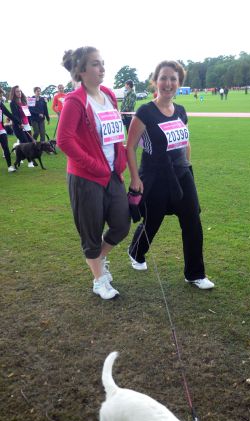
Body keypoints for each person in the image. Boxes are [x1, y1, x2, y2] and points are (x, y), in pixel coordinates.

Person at [126, 60, 214, 290]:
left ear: (179, 83)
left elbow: (186, 141)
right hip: (154, 176)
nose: (168, 83)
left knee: (192, 219)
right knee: (152, 221)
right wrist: (135, 179)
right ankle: (136, 252)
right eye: (163, 78)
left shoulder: (181, 111)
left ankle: (195, 273)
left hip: (181, 173)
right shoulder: (145, 112)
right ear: (155, 81)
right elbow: (130, 147)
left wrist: (188, 163)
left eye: (173, 79)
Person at [57, 46, 130, 300]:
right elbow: (64, 141)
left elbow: (116, 134)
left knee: (121, 224)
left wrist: (118, 162)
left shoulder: (109, 95)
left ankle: (98, 259)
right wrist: (94, 165)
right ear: (81, 70)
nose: (102, 69)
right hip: (86, 178)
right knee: (91, 231)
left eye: (102, 63)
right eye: (96, 64)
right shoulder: (75, 101)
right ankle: (99, 280)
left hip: (111, 174)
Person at [9, 86, 35, 168]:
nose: (19, 93)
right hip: (18, 126)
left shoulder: (24, 101)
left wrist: (29, 123)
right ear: (14, 93)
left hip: (26, 124)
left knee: (28, 142)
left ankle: (18, 152)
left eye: (20, 91)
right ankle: (30, 162)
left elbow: (27, 113)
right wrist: (19, 123)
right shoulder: (13, 103)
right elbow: (15, 115)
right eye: (17, 91)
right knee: (26, 143)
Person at [0, 89, 18, 172]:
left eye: (1, 95)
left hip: (1, 129)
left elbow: (8, 114)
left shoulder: (1, 104)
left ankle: (10, 166)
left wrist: (18, 122)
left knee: (6, 148)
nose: (1, 97)